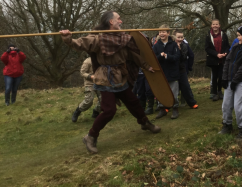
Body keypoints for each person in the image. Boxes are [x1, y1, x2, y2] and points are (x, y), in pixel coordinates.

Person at [60, 11, 161, 154]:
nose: (121, 21)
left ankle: (145, 123)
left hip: (120, 76)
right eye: (118, 19)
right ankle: (90, 136)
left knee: (133, 101)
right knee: (109, 111)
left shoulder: (122, 38)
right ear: (111, 22)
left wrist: (146, 65)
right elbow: (81, 43)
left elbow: (132, 55)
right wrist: (68, 39)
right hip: (105, 78)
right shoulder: (98, 39)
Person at [219, 25, 242, 138]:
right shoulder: (235, 46)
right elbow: (227, 62)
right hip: (230, 81)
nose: (238, 37)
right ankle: (227, 124)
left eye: (240, 35)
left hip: (241, 82)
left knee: (238, 106)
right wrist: (224, 78)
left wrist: (235, 81)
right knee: (226, 105)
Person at [153, 24, 181, 119]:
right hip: (161, 73)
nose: (162, 33)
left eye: (164, 32)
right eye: (160, 32)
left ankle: (175, 109)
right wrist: (160, 56)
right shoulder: (156, 46)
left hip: (172, 73)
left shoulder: (174, 44)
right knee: (162, 92)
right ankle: (162, 109)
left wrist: (167, 56)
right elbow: (153, 59)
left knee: (173, 92)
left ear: (168, 33)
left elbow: (177, 57)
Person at [205, 19, 230, 101]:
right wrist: (216, 54)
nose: (215, 26)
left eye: (216, 24)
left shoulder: (224, 35)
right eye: (213, 24)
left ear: (219, 25)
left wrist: (225, 53)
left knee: (221, 76)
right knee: (214, 77)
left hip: (222, 59)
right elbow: (207, 48)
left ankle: (220, 91)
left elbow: (227, 46)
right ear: (211, 26)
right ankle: (214, 93)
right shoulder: (208, 35)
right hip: (213, 59)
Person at [173, 30, 198, 109]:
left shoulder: (185, 45)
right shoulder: (170, 45)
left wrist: (180, 50)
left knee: (185, 86)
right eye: (178, 37)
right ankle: (169, 104)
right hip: (172, 69)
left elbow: (184, 58)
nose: (180, 39)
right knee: (172, 87)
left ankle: (192, 103)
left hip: (182, 68)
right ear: (174, 37)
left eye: (181, 37)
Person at [71, 57, 102, 122]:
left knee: (103, 99)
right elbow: (82, 72)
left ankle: (96, 111)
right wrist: (90, 76)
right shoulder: (87, 61)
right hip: (90, 84)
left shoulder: (101, 59)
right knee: (88, 101)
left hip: (100, 83)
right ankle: (77, 112)